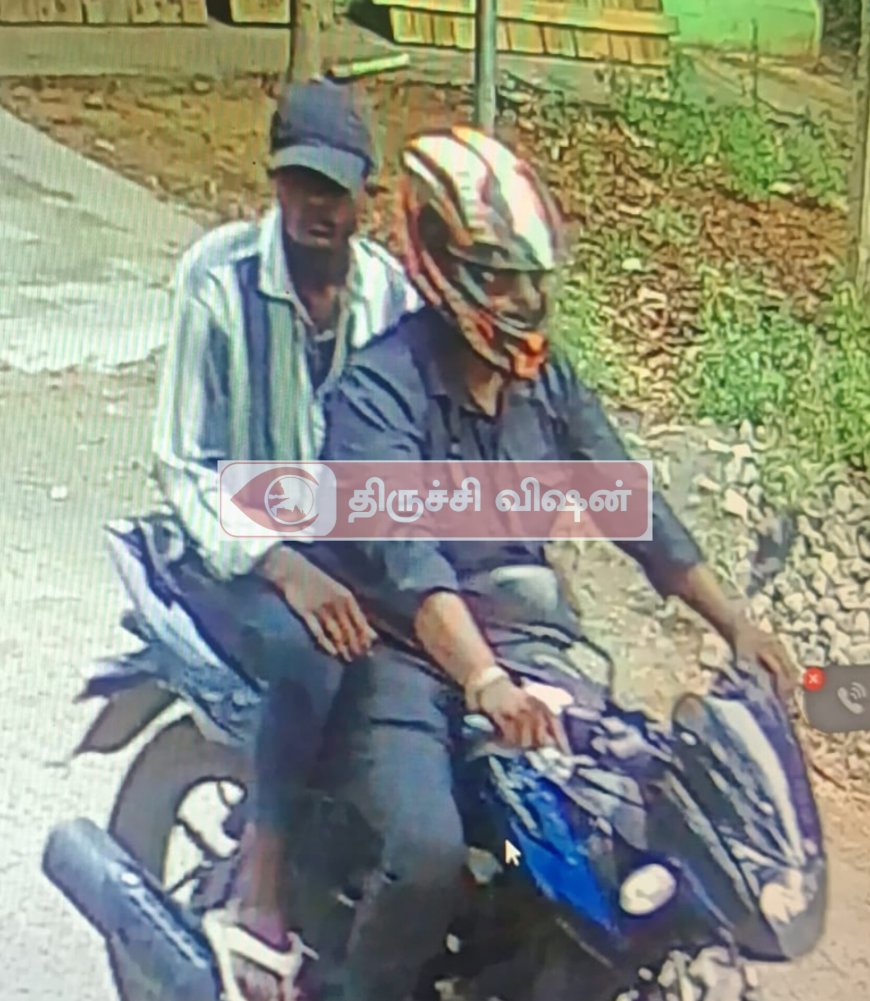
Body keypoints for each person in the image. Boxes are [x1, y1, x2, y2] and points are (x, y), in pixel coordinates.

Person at [301, 126, 798, 1001]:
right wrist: (483, 678)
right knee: (427, 851)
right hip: (402, 661)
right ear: (441, 262)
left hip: (531, 650)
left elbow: (630, 503)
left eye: (533, 278)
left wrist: (736, 624)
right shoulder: (379, 391)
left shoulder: (545, 383)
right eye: (500, 277)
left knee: (614, 837)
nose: (524, 298)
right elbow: (410, 561)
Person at [151, 78, 420, 1001]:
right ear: (273, 181)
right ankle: (260, 890)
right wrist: (281, 561)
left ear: (365, 195)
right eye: (301, 183)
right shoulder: (216, 278)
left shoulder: (390, 296)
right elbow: (183, 463)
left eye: (335, 188)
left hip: (340, 554)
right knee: (314, 654)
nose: (318, 205)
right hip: (228, 550)